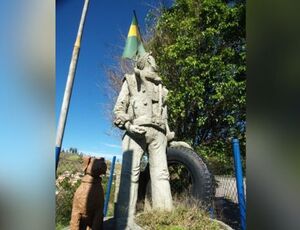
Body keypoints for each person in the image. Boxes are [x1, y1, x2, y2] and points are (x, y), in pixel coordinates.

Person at [114, 52, 174, 229]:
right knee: (129, 175)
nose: (154, 59)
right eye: (150, 57)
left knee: (162, 175)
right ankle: (123, 223)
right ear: (145, 61)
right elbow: (119, 108)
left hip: (159, 135)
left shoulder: (162, 87)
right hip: (135, 131)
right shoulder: (131, 80)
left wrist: (167, 133)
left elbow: (165, 114)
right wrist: (127, 125)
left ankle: (165, 221)